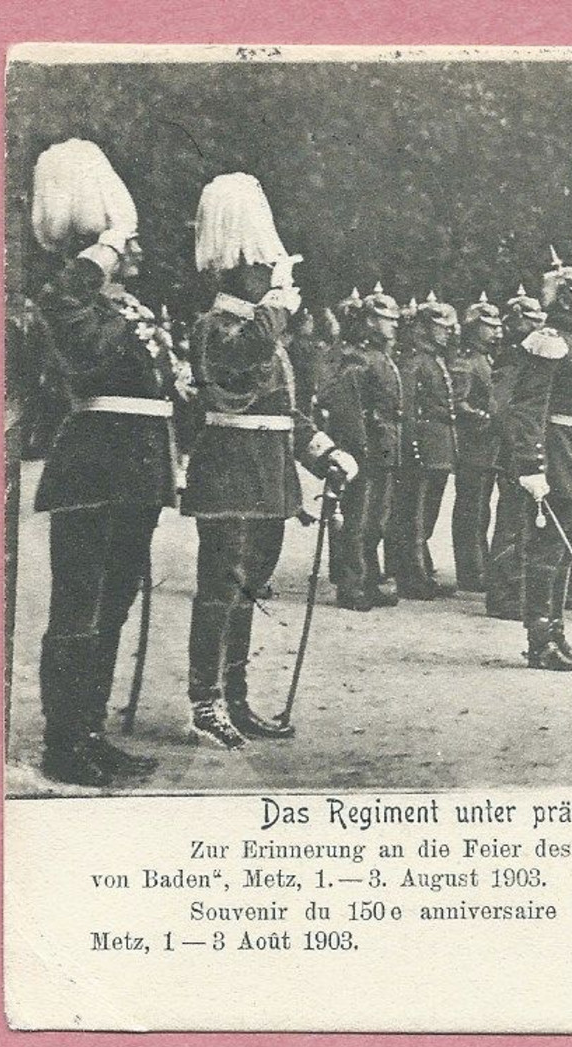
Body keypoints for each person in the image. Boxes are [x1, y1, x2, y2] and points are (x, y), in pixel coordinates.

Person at [183, 173, 358, 747]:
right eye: (264, 267)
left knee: (250, 590)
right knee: (219, 592)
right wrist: (277, 309)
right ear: (238, 269)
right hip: (230, 475)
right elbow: (235, 378)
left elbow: (285, 412)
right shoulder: (217, 327)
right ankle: (205, 703)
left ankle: (235, 697)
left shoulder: (261, 330)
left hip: (268, 476)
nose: (275, 276)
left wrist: (323, 451)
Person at [28, 139, 172, 785]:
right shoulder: (68, 298)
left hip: (136, 471)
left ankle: (90, 730)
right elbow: (74, 324)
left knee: (110, 609)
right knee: (79, 612)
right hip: (92, 469)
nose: (133, 249)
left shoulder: (124, 307)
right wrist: (105, 245)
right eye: (121, 242)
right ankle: (63, 743)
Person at [506, 250, 572, 671]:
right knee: (548, 553)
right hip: (562, 461)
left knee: (566, 556)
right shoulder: (549, 341)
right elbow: (527, 408)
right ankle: (539, 642)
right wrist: (531, 466)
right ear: (566, 299)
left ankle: (557, 635)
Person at [319, 284, 406, 611]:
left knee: (375, 521)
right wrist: (360, 450)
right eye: (386, 318)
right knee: (356, 520)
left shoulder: (380, 357)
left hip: (383, 448)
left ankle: (369, 577)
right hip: (365, 450)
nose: (394, 324)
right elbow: (349, 411)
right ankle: (351, 584)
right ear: (370, 322)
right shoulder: (356, 360)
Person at [484, 285, 548, 619]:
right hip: (514, 452)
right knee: (511, 523)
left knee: (526, 524)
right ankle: (502, 594)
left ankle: (516, 588)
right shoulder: (512, 356)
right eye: (533, 319)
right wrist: (519, 449)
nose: (539, 325)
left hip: (524, 448)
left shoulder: (527, 355)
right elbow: (503, 409)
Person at [393, 293, 460, 599]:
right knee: (414, 515)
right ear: (423, 327)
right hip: (422, 448)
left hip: (437, 449)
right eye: (441, 325)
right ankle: (412, 575)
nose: (449, 330)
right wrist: (413, 447)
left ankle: (418, 567)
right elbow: (407, 409)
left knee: (426, 513)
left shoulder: (433, 359)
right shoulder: (415, 361)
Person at [449, 292, 502, 592]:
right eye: (488, 324)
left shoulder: (485, 359)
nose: (495, 329)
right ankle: (470, 570)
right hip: (473, 446)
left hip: (487, 447)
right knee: (471, 510)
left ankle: (478, 565)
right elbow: (457, 403)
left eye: (496, 324)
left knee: (482, 509)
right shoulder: (466, 362)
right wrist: (484, 416)